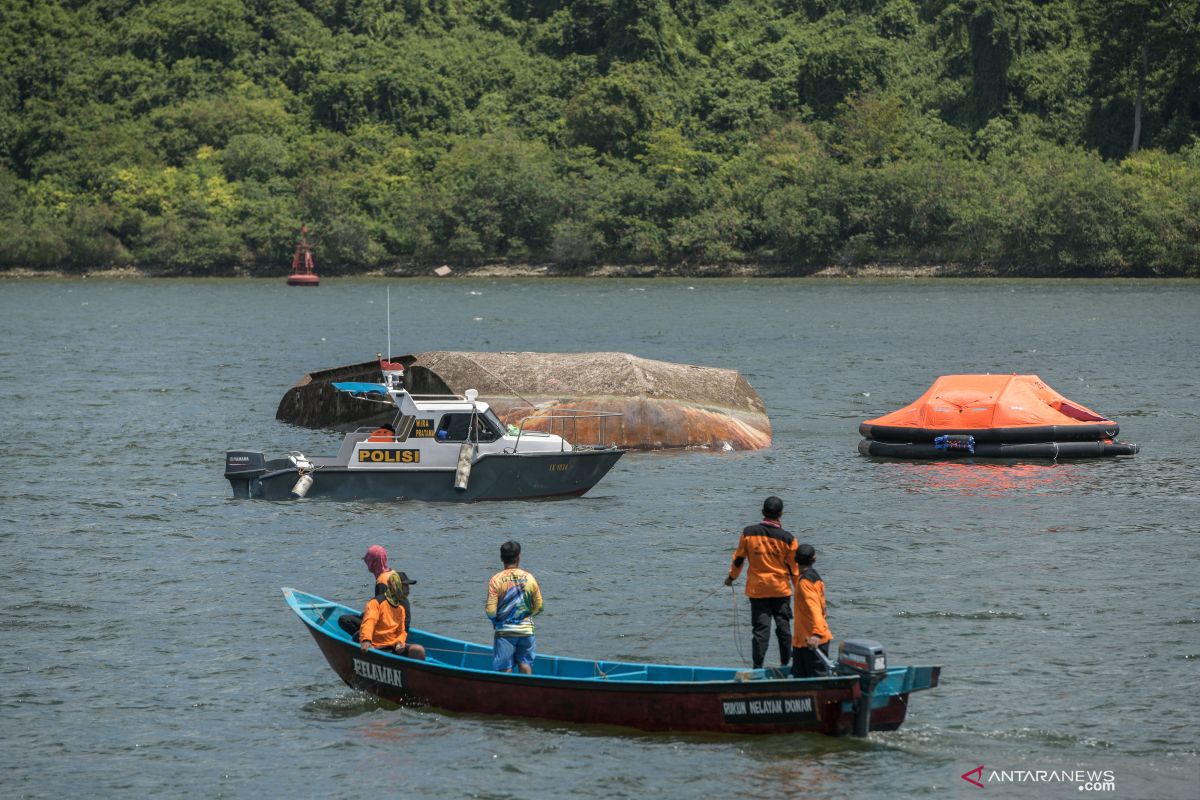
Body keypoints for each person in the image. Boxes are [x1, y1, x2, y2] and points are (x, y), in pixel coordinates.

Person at [724, 496, 798, 670]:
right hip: (781, 591)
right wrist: (800, 589)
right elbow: (794, 569)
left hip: (758, 591)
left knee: (760, 631)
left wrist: (731, 578)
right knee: (784, 629)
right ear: (781, 514)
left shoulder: (748, 533)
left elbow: (739, 559)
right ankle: (785, 665)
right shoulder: (788, 539)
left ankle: (757, 667)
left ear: (763, 512)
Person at [485, 540, 543, 674]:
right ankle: (528, 692)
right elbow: (539, 607)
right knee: (525, 664)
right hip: (527, 631)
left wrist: (495, 621)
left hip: (505, 631)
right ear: (518, 558)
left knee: (504, 668)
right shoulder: (530, 578)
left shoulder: (496, 580)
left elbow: (490, 611)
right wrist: (527, 616)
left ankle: (505, 694)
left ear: (501, 558)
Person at [360, 571, 425, 659]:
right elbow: (369, 622)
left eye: (408, 586)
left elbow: (401, 631)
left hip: (393, 646)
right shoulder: (376, 603)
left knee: (418, 650)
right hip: (376, 647)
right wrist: (366, 640)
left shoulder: (401, 608)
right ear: (396, 585)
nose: (408, 590)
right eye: (405, 586)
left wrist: (399, 642)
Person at [791, 543, 832, 678]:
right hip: (803, 641)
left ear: (796, 560)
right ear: (814, 560)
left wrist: (817, 635)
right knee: (800, 683)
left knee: (816, 682)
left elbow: (814, 608)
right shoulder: (814, 577)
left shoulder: (805, 583)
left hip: (812, 642)